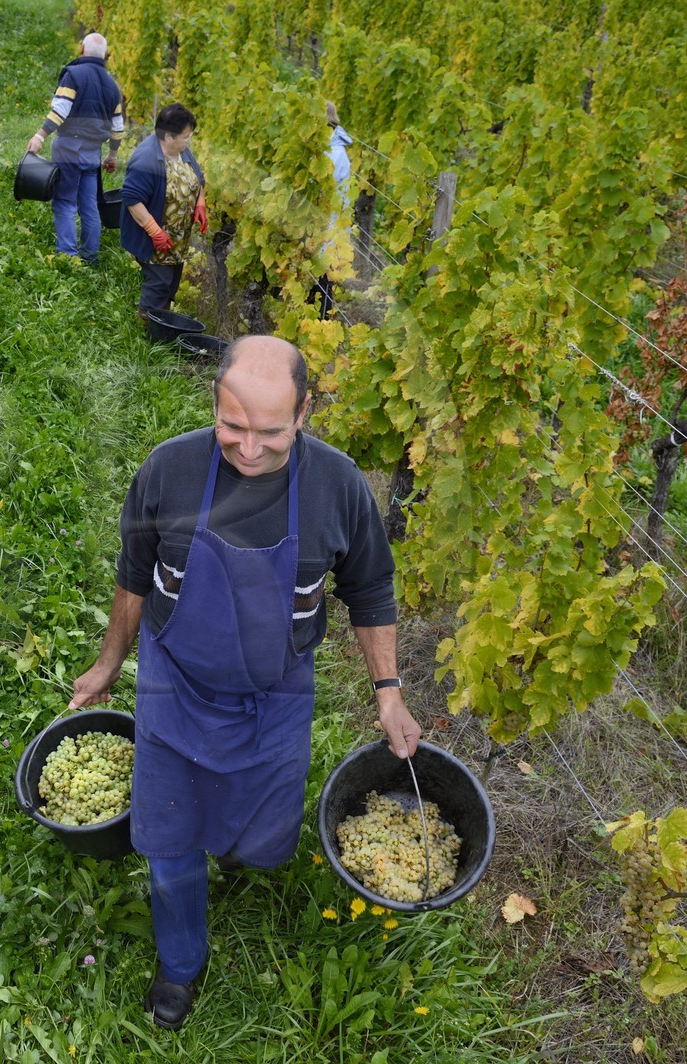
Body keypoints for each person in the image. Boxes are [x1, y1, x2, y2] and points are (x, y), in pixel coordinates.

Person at [68, 336, 422, 1030]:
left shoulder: (338, 487)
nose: (249, 449)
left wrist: (388, 690)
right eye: (233, 427)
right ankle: (180, 961)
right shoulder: (168, 471)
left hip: (276, 696)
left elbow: (372, 587)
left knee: (252, 836)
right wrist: (112, 660)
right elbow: (135, 574)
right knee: (169, 843)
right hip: (175, 685)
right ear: (215, 403)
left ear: (305, 414)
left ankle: (231, 847)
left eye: (271, 433)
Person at [25, 33, 125, 265]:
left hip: (69, 147)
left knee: (65, 201)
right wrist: (112, 155)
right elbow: (118, 127)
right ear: (105, 56)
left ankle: (68, 258)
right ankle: (90, 257)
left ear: (81, 50)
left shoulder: (73, 75)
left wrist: (40, 135)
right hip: (93, 150)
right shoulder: (113, 87)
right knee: (89, 205)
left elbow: (60, 110)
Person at [121, 103, 206, 321]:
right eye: (186, 137)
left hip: (177, 238)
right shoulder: (146, 159)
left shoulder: (181, 151)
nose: (189, 141)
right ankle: (148, 329)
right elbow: (132, 199)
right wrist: (154, 231)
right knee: (158, 283)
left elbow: (198, 177)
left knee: (170, 282)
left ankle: (162, 321)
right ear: (169, 136)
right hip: (155, 240)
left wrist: (200, 202)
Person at [313, 101, 354, 319]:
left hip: (328, 231)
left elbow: (317, 187)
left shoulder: (335, 154)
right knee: (315, 285)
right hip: (320, 229)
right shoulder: (327, 149)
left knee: (322, 286)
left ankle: (319, 329)